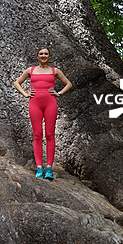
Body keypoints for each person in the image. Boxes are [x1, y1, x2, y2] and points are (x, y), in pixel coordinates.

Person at [13, 46, 72, 180]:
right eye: (41, 54)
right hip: (35, 104)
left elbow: (68, 84)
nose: (44, 56)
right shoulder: (31, 70)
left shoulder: (55, 71)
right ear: (37, 56)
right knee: (37, 134)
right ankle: (39, 167)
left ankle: (49, 168)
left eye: (46, 54)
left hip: (51, 103)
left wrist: (59, 93)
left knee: (50, 134)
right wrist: (25, 94)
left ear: (49, 57)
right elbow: (17, 83)